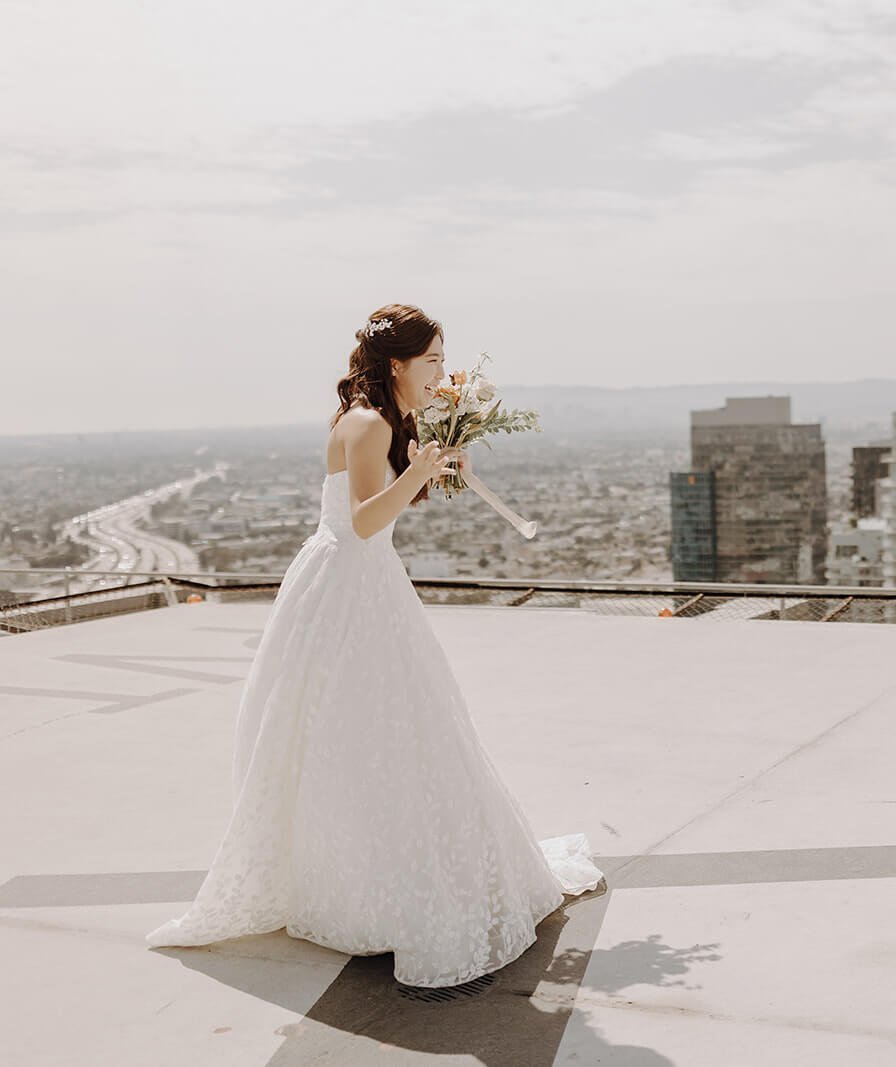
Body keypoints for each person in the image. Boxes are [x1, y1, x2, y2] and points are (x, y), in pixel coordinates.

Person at [146, 304, 603, 986]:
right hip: (348, 586)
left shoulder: (393, 419)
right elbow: (363, 520)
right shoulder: (365, 423)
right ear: (398, 364)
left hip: (366, 581)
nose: (442, 375)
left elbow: (386, 505)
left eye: (445, 363)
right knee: (364, 732)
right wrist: (419, 471)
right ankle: (369, 885)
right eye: (433, 362)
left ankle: (374, 871)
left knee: (394, 730)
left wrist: (439, 465)